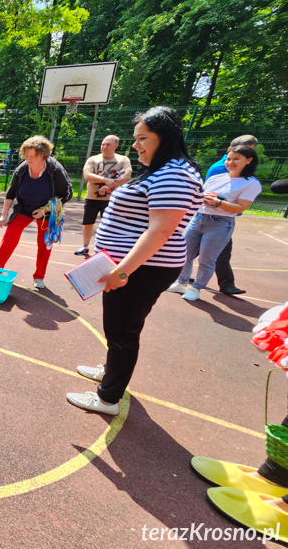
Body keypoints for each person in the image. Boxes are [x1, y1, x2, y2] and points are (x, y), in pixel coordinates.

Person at [68, 106, 204, 415]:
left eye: (142, 138)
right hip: (130, 266)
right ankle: (110, 371)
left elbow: (162, 230)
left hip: (142, 269)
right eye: (135, 138)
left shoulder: (175, 174)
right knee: (118, 328)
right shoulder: (165, 169)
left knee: (123, 331)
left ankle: (107, 398)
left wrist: (122, 271)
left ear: (165, 137)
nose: (135, 145)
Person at [166, 144, 261, 301]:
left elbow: (239, 208)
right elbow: (199, 196)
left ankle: (196, 288)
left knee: (206, 260)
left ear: (249, 160)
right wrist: (201, 197)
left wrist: (217, 202)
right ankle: (181, 282)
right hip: (198, 219)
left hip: (220, 223)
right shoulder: (217, 177)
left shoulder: (251, 183)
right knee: (184, 254)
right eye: (229, 158)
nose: (230, 162)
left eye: (236, 159)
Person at [0, 136, 72, 288]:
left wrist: (45, 209)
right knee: (10, 236)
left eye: (32, 156)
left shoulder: (54, 170)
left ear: (42, 155)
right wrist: (4, 214)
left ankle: (39, 276)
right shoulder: (22, 169)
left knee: (44, 243)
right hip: (24, 208)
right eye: (26, 156)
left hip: (47, 210)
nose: (28, 159)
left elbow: (66, 194)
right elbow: (11, 192)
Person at [202, 134, 259, 296]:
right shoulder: (222, 169)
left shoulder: (244, 175)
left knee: (203, 250)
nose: (251, 157)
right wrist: (222, 203)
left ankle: (225, 284)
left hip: (221, 217)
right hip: (213, 218)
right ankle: (225, 284)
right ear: (230, 150)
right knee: (218, 252)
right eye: (247, 152)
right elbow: (209, 194)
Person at [75, 135, 132, 256]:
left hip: (112, 199)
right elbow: (87, 175)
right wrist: (106, 180)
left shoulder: (123, 160)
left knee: (109, 224)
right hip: (92, 198)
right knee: (88, 223)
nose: (104, 146)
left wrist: (110, 185)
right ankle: (85, 246)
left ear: (116, 146)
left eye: (108, 144)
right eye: (103, 144)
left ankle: (106, 248)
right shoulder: (93, 159)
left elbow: (127, 176)